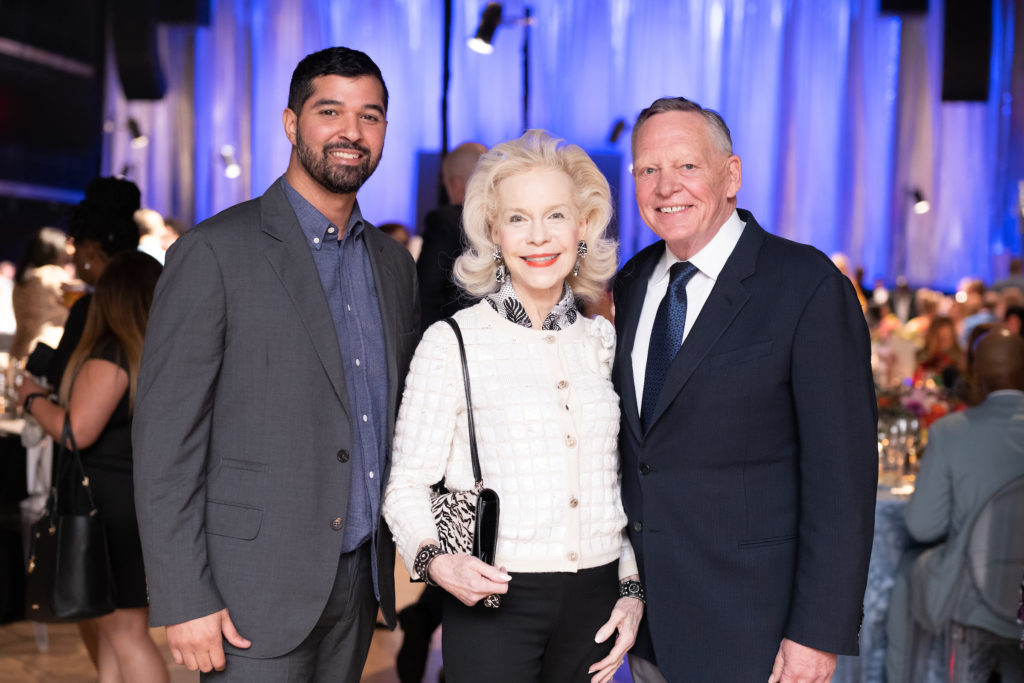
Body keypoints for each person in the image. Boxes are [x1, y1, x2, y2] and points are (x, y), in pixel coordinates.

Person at [132, 47, 419, 681]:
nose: (351, 131)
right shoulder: (213, 252)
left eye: (369, 116)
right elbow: (164, 443)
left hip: (358, 585)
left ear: (384, 133)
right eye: (330, 111)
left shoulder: (395, 267)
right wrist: (184, 597)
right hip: (248, 592)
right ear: (291, 124)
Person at [612, 97, 877, 682]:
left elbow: (844, 479)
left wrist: (816, 632)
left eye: (686, 166)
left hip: (757, 629)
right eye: (647, 170)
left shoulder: (805, 285)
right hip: (649, 625)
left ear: (731, 174)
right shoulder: (630, 283)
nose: (665, 187)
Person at [383, 130, 641, 683]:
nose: (539, 236)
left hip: (595, 599)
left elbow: (621, 480)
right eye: (518, 218)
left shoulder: (602, 342)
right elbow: (405, 482)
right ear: (493, 232)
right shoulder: (453, 342)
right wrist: (435, 560)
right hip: (495, 596)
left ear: (583, 228)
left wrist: (631, 588)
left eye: (556, 216)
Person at [16, 251, 168, 683]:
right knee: (118, 631)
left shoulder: (111, 353)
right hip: (135, 498)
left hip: (107, 509)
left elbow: (75, 431)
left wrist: (31, 398)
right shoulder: (156, 353)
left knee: (124, 632)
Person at [886, 327, 1024, 682]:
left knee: (905, 570)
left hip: (977, 601)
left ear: (975, 375)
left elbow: (922, 526)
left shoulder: (951, 432)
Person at [47, 177, 142, 390]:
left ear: (90, 248)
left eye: (75, 245)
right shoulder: (147, 291)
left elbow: (59, 378)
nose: (73, 255)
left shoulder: (91, 308)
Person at [417, 141, 488, 329]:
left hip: (454, 339)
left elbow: (426, 292)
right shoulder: (507, 223)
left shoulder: (445, 220)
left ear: (456, 184)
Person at [10, 227, 71, 360]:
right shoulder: (53, 275)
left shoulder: (24, 278)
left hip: (20, 348)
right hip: (47, 349)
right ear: (56, 250)